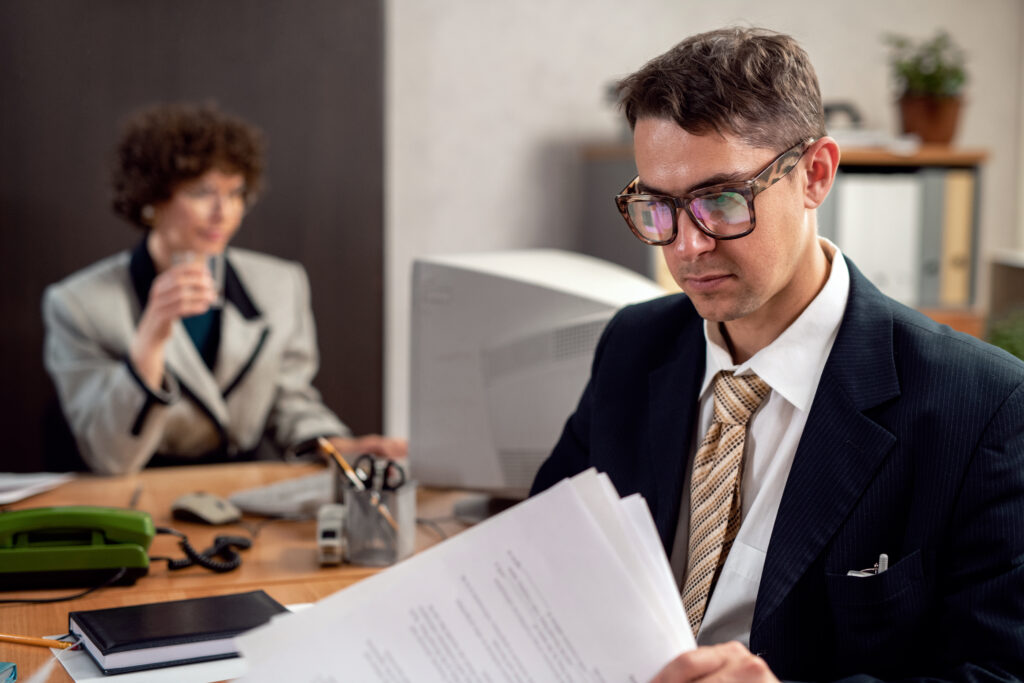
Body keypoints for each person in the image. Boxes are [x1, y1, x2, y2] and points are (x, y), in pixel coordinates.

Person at [530, 27, 1024, 682]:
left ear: (815, 174)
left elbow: (999, 673)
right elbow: (541, 558)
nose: (686, 247)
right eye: (660, 207)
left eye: (720, 201)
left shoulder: (982, 405)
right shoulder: (634, 344)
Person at [43, 102, 405, 475]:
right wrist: (149, 341)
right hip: (137, 496)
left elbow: (288, 402)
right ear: (151, 197)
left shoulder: (281, 285)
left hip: (238, 496)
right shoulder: (78, 304)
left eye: (235, 193)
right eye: (202, 192)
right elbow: (110, 457)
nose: (225, 211)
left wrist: (335, 446)